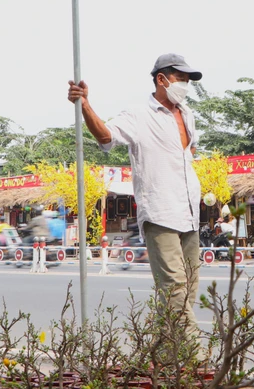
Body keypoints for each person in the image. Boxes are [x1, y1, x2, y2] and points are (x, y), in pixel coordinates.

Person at [68, 53, 204, 340]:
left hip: (191, 213)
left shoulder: (187, 114)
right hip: (161, 213)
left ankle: (162, 354)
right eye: (181, 79)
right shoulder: (138, 115)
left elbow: (186, 154)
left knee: (188, 290)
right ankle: (196, 354)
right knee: (174, 287)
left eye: (188, 81)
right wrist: (86, 105)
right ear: (162, 79)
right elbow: (106, 137)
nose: (185, 85)